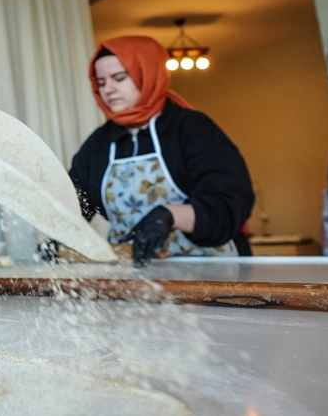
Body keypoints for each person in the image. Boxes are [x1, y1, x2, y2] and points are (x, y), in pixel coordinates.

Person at [69, 36, 254, 265]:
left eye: (119, 78)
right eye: (101, 82)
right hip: (134, 273)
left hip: (209, 268)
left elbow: (230, 200)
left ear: (147, 74)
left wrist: (170, 215)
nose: (108, 89)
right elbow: (75, 201)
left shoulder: (191, 128)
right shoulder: (99, 143)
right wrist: (58, 236)